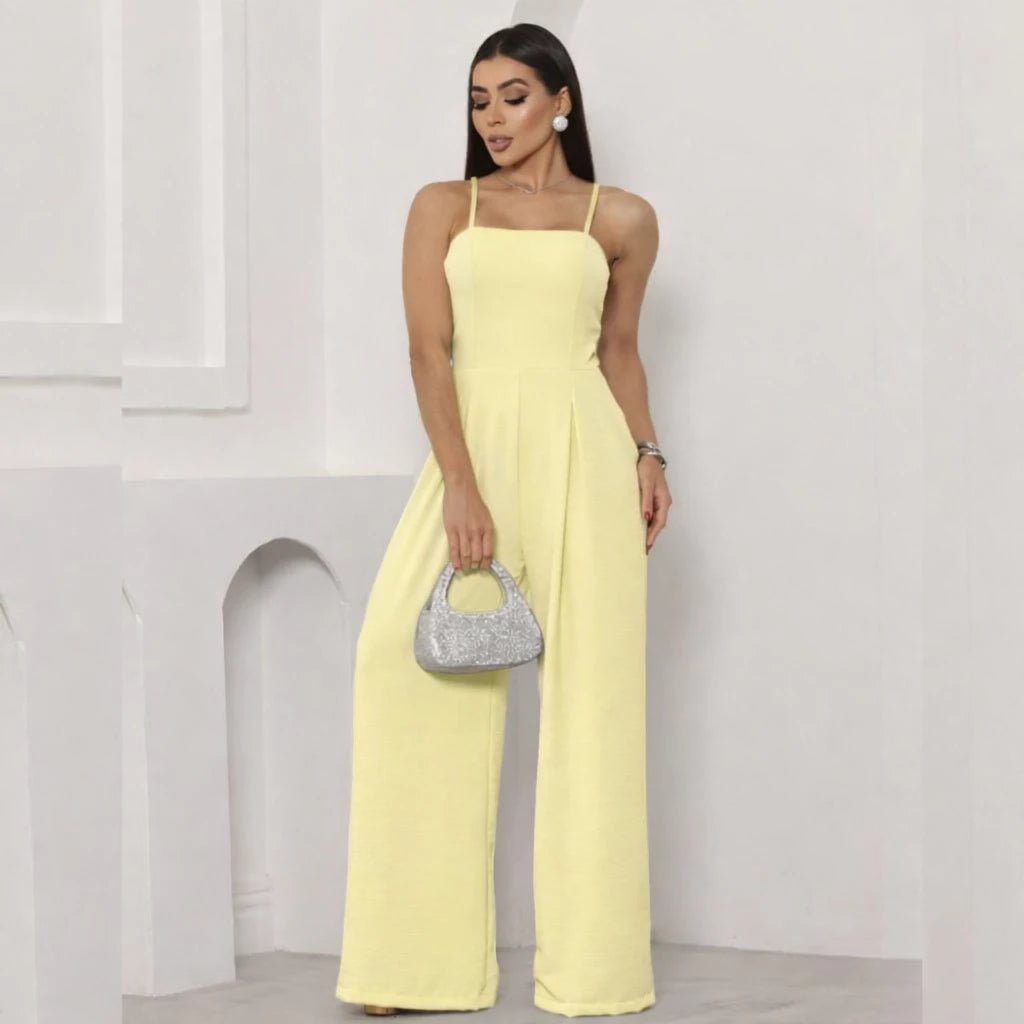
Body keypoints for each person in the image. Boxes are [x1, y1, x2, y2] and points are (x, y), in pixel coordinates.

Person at [335, 21, 671, 1018]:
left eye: (513, 96)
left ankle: (595, 974)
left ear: (561, 102)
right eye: (479, 100)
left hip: (588, 457)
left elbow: (618, 351)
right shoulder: (445, 206)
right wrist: (461, 486)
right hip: (471, 453)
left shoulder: (622, 218)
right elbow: (426, 352)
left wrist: (649, 454)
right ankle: (411, 965)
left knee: (595, 711)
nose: (493, 118)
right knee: (405, 671)